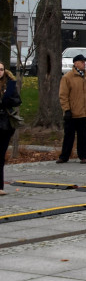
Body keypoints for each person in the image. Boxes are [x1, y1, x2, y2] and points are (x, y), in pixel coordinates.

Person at [57, 53, 86, 164]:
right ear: (75, 63)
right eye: (82, 62)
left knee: (83, 135)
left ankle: (83, 156)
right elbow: (63, 95)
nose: (84, 64)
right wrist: (66, 109)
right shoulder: (67, 77)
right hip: (72, 112)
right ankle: (64, 156)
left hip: (83, 112)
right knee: (69, 135)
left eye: (85, 62)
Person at [0, 63, 22, 196]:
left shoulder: (9, 84)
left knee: (0, 155)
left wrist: (6, 99)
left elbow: (17, 100)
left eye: (1, 69)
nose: (0, 72)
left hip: (4, 124)